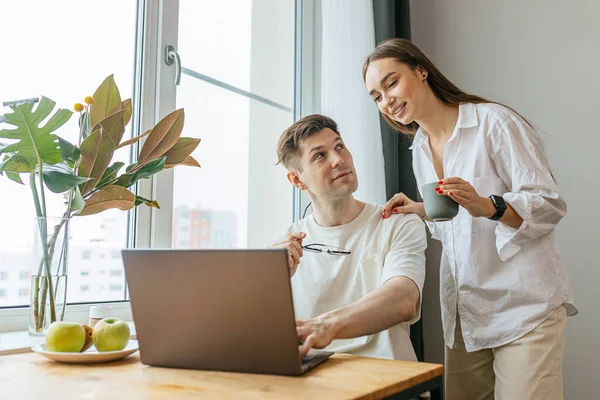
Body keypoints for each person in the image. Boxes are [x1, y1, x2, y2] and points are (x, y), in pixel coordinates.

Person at [363, 38, 577, 400]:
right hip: (466, 314)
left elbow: (548, 202)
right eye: (376, 97)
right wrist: (422, 209)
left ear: (421, 69)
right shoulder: (420, 149)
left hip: (524, 309)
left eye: (391, 82)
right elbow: (455, 228)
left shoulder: (493, 122)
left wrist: (489, 205)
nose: (387, 100)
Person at [272, 114, 427, 362]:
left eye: (339, 146)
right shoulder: (285, 246)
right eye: (320, 155)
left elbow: (403, 298)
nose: (338, 159)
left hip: (387, 376)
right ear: (297, 180)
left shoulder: (398, 223)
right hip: (316, 379)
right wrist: (273, 281)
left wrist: (328, 326)